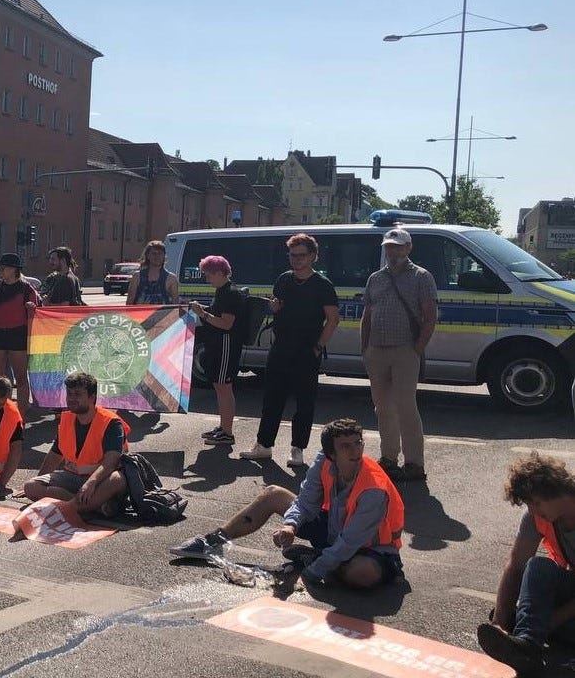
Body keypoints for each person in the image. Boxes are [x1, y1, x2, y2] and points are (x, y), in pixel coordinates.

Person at [170, 418, 405, 590]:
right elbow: (305, 503)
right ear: (331, 453)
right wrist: (290, 526)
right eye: (346, 446)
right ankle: (211, 541)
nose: (356, 451)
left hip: (370, 549)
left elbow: (349, 542)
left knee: (362, 574)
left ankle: (315, 558)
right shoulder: (323, 461)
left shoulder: (373, 489)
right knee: (273, 493)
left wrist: (312, 573)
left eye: (358, 443)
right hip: (333, 532)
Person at [241, 233, 339, 466]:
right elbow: (277, 308)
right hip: (281, 347)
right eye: (292, 255)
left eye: (301, 255)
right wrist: (273, 308)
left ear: (313, 256)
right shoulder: (283, 280)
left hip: (307, 350)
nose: (296, 260)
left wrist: (317, 347)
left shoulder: (322, 285)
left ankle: (298, 449)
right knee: (272, 399)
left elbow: (332, 319)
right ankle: (264, 445)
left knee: (305, 402)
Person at [476, 453, 575, 677]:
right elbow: (516, 566)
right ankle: (527, 645)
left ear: (555, 491)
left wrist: (551, 621)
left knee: (528, 616)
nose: (532, 510)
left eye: (536, 502)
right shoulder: (536, 517)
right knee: (538, 566)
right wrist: (499, 623)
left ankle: (533, 629)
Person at [360, 227, 438, 482]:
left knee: (406, 407)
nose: (392, 250)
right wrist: (365, 348)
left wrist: (417, 349)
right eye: (389, 246)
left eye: (398, 246)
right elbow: (367, 314)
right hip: (377, 350)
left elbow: (429, 317)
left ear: (408, 248)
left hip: (405, 350)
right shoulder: (376, 278)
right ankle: (389, 458)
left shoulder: (421, 277)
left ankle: (414, 464)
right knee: (382, 407)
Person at [23, 371, 130, 515]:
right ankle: (88, 506)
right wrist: (38, 480)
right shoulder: (66, 419)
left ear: (92, 397)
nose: (72, 399)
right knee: (30, 487)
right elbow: (55, 454)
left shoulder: (111, 423)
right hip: (73, 478)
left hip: (101, 479)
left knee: (118, 479)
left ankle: (82, 505)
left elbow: (111, 461)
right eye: (69, 394)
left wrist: (90, 484)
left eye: (78, 394)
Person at [189, 255, 247, 446]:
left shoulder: (230, 293)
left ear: (221, 273)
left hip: (226, 346)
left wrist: (202, 314)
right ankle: (223, 427)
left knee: (224, 388)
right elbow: (218, 313)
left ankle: (227, 432)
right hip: (219, 345)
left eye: (209, 275)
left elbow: (226, 323)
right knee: (220, 387)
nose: (207, 279)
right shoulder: (223, 291)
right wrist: (201, 309)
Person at [0, 253, 39, 415]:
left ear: (14, 270)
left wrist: (32, 308)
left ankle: (20, 416)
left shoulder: (27, 289)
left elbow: (37, 316)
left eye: (3, 268)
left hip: (18, 336)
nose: (0, 270)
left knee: (21, 378)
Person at [126, 240, 179, 305]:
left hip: (162, 314)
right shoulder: (137, 277)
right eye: (154, 253)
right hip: (141, 314)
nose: (157, 256)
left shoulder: (171, 279)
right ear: (148, 256)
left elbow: (175, 306)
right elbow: (129, 303)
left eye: (160, 253)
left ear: (164, 256)